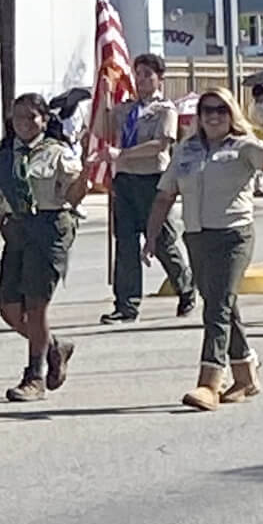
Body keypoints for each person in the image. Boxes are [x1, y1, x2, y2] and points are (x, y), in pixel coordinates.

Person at [144, 87, 263, 411]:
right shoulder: (187, 150)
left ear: (231, 112)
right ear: (199, 116)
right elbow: (166, 194)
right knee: (221, 304)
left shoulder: (244, 146)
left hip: (233, 236)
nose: (214, 115)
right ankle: (246, 373)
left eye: (221, 109)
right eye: (207, 109)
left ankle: (209, 382)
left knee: (217, 307)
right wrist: (151, 237)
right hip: (196, 236)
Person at [0, 93, 91, 402]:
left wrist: (88, 175)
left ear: (44, 120)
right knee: (9, 308)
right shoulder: (4, 159)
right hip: (18, 231)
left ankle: (34, 376)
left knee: (36, 306)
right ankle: (54, 347)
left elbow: (74, 196)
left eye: (31, 117)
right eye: (18, 117)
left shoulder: (57, 153)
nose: (24, 123)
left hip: (50, 228)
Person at [95, 54, 195, 324]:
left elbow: (160, 145)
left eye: (147, 74)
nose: (141, 80)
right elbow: (101, 131)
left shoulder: (164, 110)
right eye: (138, 74)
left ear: (159, 78)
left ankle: (185, 287)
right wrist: (105, 99)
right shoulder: (125, 109)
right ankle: (126, 305)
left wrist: (122, 153)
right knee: (126, 243)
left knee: (162, 241)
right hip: (125, 181)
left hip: (153, 181)